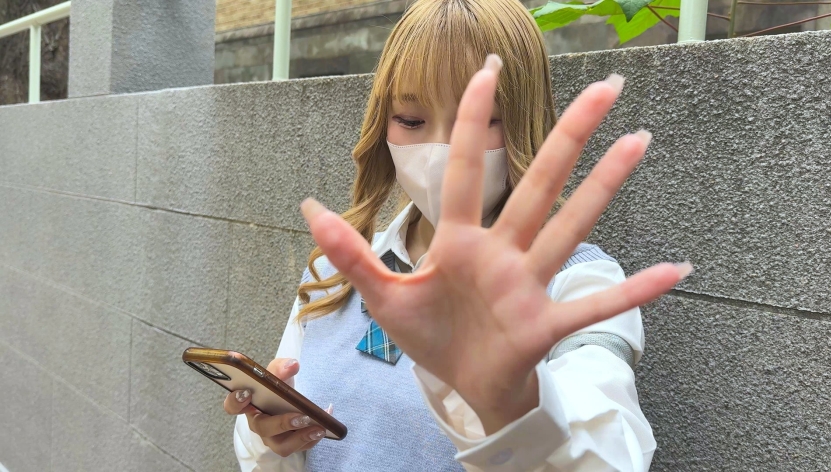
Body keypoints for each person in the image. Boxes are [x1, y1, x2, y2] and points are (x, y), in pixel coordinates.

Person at [225, 0, 691, 470]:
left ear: (524, 121)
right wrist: (268, 436)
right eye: (411, 120)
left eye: (481, 119)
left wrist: (512, 407)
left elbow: (612, 454)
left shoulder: (581, 285)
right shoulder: (334, 272)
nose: (444, 152)